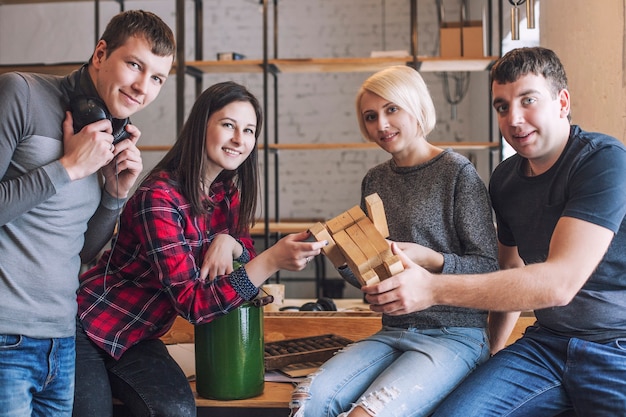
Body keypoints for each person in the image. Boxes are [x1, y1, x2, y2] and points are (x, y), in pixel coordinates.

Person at [374, 47, 626, 416]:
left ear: (562, 102)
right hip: (547, 345)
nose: (515, 118)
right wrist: (489, 353)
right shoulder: (506, 180)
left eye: (528, 100)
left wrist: (431, 287)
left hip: (616, 346)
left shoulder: (603, 160)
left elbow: (559, 283)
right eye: (502, 106)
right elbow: (509, 270)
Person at [72, 80, 326, 417]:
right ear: (200, 127)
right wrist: (272, 260)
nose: (240, 139)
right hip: (89, 328)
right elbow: (194, 304)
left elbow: (245, 249)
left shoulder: (225, 193)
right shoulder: (159, 198)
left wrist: (230, 242)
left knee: (177, 410)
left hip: (138, 336)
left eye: (249, 130)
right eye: (228, 125)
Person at [289, 65, 499, 417]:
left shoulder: (458, 173)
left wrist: (432, 259)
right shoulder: (375, 180)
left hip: (455, 334)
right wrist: (338, 255)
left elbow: (489, 267)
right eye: (371, 116)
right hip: (394, 330)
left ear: (415, 106)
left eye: (391, 109)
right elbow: (370, 275)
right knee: (307, 402)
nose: (381, 125)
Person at [0, 9, 175, 417]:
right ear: (100, 53)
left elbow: (79, 251)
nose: (142, 87)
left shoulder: (107, 137)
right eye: (134, 64)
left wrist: (114, 196)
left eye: (157, 79)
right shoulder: (20, 94)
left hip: (60, 343)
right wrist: (67, 169)